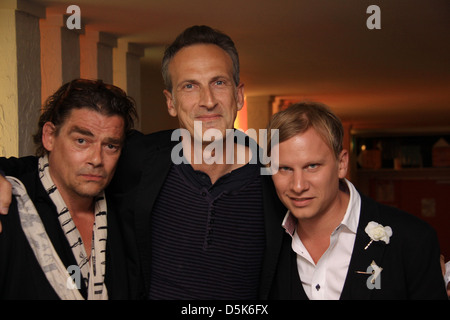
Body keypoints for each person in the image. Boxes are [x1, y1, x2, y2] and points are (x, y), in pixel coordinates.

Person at [0, 25, 284, 299]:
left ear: (238, 95)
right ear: (170, 101)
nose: (207, 101)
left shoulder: (277, 178)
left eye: (218, 83)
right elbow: (54, 163)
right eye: (189, 86)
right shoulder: (139, 158)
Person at [260, 101, 448, 299]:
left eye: (312, 166)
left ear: (342, 164)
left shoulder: (412, 239)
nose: (298, 186)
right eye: (284, 168)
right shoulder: (264, 241)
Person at [0, 79, 137, 299]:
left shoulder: (126, 210)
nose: (96, 159)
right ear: (49, 136)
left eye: (110, 146)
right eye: (82, 140)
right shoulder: (12, 207)